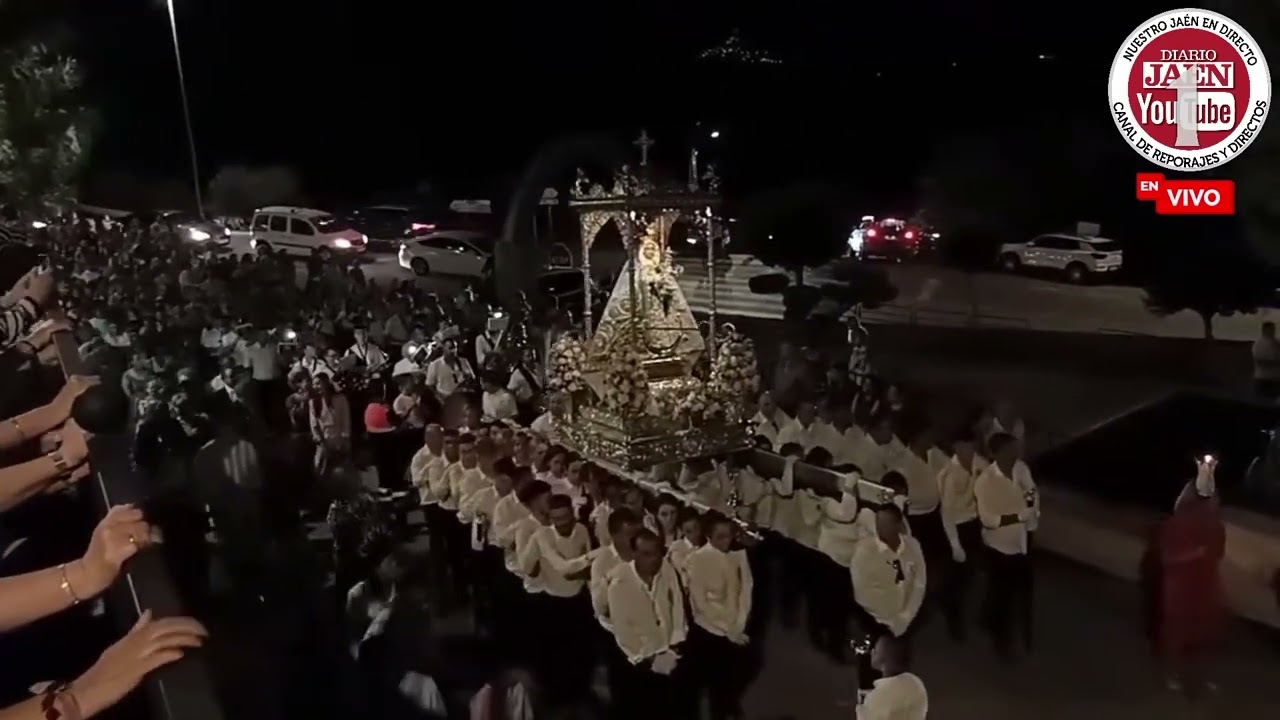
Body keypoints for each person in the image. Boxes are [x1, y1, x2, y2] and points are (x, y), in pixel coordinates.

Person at [1151, 456, 1226, 697]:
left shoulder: (1216, 526)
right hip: (1180, 587)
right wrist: (1195, 554)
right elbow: (1168, 558)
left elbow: (1218, 553)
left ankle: (1199, 677)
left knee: (1202, 634)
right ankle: (1172, 674)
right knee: (1177, 633)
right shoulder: (1175, 524)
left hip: (1204, 585)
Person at [605, 528, 693, 720]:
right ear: (634, 554)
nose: (654, 559)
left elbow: (677, 606)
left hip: (671, 653)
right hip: (641, 663)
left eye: (656, 553)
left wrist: (675, 644)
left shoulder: (667, 569)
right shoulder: (619, 582)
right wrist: (650, 659)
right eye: (646, 554)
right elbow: (623, 631)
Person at [850, 505, 926, 697]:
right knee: (869, 668)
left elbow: (919, 583)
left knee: (896, 667)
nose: (880, 528)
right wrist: (887, 619)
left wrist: (906, 616)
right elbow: (862, 593)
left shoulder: (912, 546)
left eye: (886, 523)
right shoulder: (864, 551)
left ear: (898, 525)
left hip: (902, 622)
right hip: (874, 623)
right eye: (878, 523)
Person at [974, 432, 1038, 660]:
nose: (1014, 454)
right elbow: (988, 519)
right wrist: (1019, 516)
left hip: (1022, 541)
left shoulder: (1021, 469)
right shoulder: (985, 482)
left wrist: (1030, 513)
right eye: (1009, 451)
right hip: (998, 547)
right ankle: (1001, 639)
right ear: (996, 454)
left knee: (1020, 590)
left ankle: (995, 619)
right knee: (1003, 594)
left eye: (1015, 450)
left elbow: (1031, 492)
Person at [685, 512, 753, 720]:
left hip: (735, 627)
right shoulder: (696, 560)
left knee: (731, 678)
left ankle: (728, 704)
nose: (727, 541)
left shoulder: (738, 555)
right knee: (713, 684)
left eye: (729, 535)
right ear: (708, 536)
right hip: (709, 631)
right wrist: (728, 629)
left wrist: (740, 622)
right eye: (720, 537)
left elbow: (746, 589)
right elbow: (702, 604)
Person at [936, 431, 987, 642]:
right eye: (963, 446)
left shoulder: (979, 463)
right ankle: (952, 615)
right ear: (955, 447)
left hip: (974, 523)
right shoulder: (949, 474)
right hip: (956, 527)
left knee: (969, 572)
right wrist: (955, 545)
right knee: (955, 576)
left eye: (971, 445)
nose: (968, 451)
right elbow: (947, 513)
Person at [857, 634, 928, 720]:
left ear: (883, 660)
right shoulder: (916, 683)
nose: (872, 651)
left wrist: (860, 708)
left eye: (876, 650)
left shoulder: (876, 698)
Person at [309, 373, 352, 476]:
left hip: (339, 439)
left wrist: (344, 439)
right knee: (320, 470)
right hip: (323, 441)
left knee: (342, 470)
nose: (316, 387)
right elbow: (314, 425)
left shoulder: (340, 399)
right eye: (314, 384)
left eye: (318, 383)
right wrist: (321, 441)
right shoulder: (313, 402)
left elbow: (345, 419)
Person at [1253, 321, 1280, 400]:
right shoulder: (1259, 344)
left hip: (1276, 379)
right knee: (1264, 402)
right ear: (1265, 330)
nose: (1273, 331)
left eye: (1274, 329)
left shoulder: (1276, 342)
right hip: (1264, 379)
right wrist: (1276, 362)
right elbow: (1260, 361)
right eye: (1271, 329)